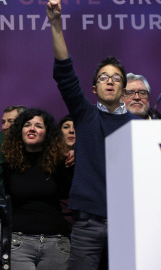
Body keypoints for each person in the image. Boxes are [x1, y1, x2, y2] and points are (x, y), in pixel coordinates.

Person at [47, 1, 139, 269]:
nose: (109, 81)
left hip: (129, 222)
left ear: (123, 89)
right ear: (94, 88)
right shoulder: (86, 116)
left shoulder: (138, 126)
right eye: (103, 77)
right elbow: (65, 72)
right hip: (88, 222)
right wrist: (55, 24)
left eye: (116, 78)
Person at [2, 108, 72, 269]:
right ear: (20, 131)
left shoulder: (62, 164)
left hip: (56, 243)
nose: (32, 128)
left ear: (47, 133)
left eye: (38, 126)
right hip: (20, 243)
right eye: (27, 125)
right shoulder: (8, 165)